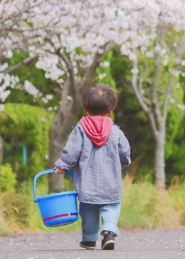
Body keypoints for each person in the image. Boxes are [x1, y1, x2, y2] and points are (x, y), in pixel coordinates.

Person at [54, 83, 131, 251]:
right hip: (111, 182)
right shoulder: (116, 131)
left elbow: (72, 150)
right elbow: (124, 150)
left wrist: (63, 165)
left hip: (87, 183)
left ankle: (89, 239)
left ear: (85, 108)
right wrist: (124, 162)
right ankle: (109, 232)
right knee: (111, 207)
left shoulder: (80, 130)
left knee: (88, 211)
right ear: (110, 109)